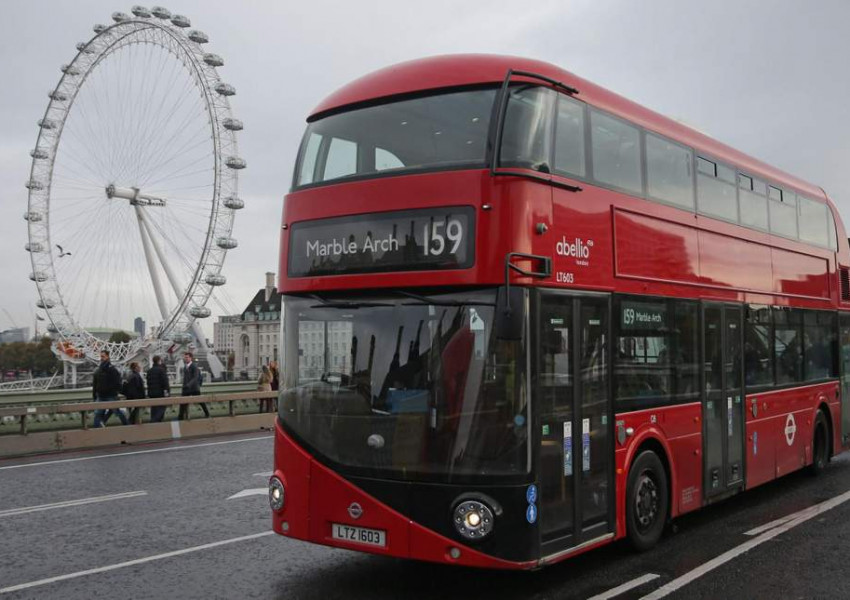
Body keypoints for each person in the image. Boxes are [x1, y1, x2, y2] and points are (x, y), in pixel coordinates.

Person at [92, 350, 127, 427]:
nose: (101, 358)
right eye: (101, 356)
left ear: (108, 357)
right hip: (101, 395)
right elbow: (95, 384)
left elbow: (117, 382)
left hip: (110, 395)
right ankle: (96, 430)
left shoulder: (112, 370)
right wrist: (94, 395)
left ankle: (127, 426)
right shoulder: (99, 370)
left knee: (116, 412)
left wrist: (116, 392)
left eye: (103, 356)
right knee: (99, 414)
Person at [179, 352, 209, 419]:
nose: (185, 359)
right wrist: (184, 386)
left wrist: (188, 384)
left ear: (191, 358)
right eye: (185, 357)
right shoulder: (185, 366)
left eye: (187, 357)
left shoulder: (194, 366)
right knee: (182, 402)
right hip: (186, 388)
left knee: (200, 402)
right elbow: (185, 378)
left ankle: (207, 414)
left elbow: (195, 377)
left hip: (194, 388)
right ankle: (180, 417)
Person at [147, 355, 171, 423]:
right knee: (162, 407)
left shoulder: (149, 371)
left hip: (151, 393)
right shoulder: (161, 370)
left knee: (154, 408)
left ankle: (154, 424)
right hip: (160, 393)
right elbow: (165, 383)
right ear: (159, 361)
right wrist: (167, 393)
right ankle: (154, 421)